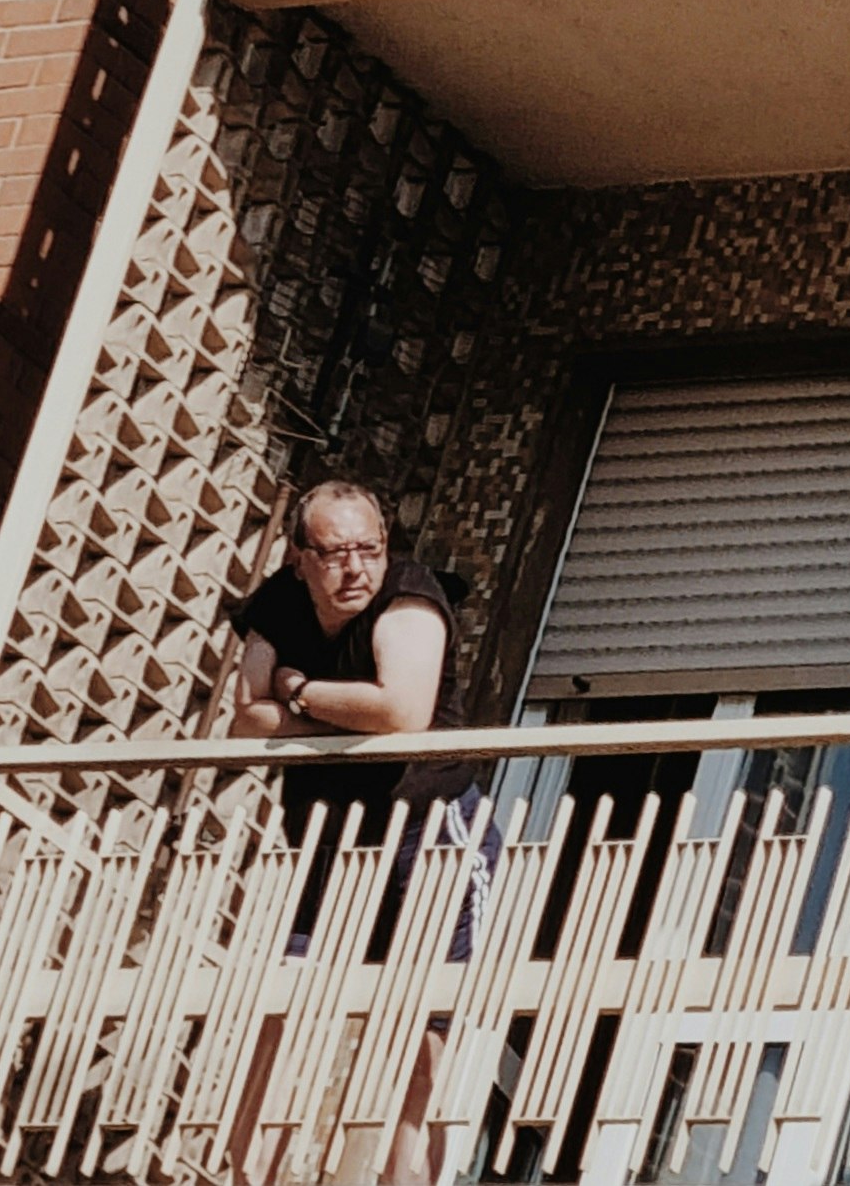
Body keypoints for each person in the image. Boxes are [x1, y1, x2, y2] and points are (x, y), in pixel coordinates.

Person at [226, 482, 486, 1183]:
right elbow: (245, 719)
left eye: (369, 548)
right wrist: (338, 708)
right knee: (283, 999)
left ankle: (407, 1179)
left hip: (430, 830)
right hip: (328, 841)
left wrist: (299, 691)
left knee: (423, 1022)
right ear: (300, 556)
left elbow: (402, 709)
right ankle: (249, 1172)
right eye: (335, 552)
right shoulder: (278, 604)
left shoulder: (410, 599)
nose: (355, 568)